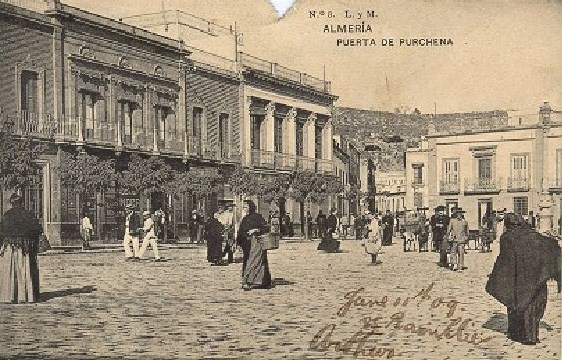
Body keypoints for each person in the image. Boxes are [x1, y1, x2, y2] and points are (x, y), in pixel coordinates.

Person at [486, 213, 561, 345]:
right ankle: (531, 336)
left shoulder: (507, 238)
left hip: (517, 279)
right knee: (533, 307)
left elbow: (505, 261)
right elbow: (552, 246)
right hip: (537, 278)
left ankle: (517, 334)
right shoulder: (535, 236)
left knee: (516, 305)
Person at [0, 192, 42, 303]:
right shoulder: (28, 215)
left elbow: (2, 231)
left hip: (10, 245)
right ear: (22, 203)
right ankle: (25, 295)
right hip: (24, 246)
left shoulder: (7, 215)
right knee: (24, 269)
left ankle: (9, 295)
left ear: (11, 203)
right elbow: (37, 230)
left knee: (10, 270)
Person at [236, 200, 271, 290]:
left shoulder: (258, 217)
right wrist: (239, 242)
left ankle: (261, 281)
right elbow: (241, 232)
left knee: (259, 262)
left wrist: (256, 230)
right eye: (243, 207)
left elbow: (265, 228)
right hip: (247, 244)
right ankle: (248, 280)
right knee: (249, 262)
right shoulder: (245, 219)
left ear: (251, 207)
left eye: (246, 207)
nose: (244, 209)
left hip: (258, 243)